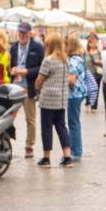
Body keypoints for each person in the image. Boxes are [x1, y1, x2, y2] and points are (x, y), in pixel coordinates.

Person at [35, 31, 73, 167]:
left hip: (48, 100)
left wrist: (37, 90)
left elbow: (39, 80)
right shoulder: (65, 61)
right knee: (62, 127)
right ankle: (67, 157)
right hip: (61, 100)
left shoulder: (48, 61)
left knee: (46, 128)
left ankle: (46, 158)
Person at [9, 21, 44, 158]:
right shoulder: (13, 47)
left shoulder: (37, 47)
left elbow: (42, 67)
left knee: (30, 119)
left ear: (30, 33)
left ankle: (29, 146)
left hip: (29, 86)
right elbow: (9, 66)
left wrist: (28, 71)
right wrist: (12, 70)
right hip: (15, 86)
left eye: (24, 32)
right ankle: (5, 143)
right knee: (9, 117)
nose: (22, 35)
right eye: (20, 32)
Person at [65, 33, 87, 160]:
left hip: (74, 94)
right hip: (75, 94)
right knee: (73, 122)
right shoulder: (76, 58)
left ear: (69, 46)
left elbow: (71, 80)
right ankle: (75, 150)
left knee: (73, 122)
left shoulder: (73, 60)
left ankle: (76, 151)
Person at [83, 34, 103, 110]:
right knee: (87, 88)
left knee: (95, 89)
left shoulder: (99, 52)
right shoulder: (85, 52)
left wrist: (99, 62)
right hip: (87, 74)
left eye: (95, 42)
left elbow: (103, 62)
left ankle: (94, 106)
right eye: (91, 42)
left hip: (97, 74)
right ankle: (87, 102)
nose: (93, 44)